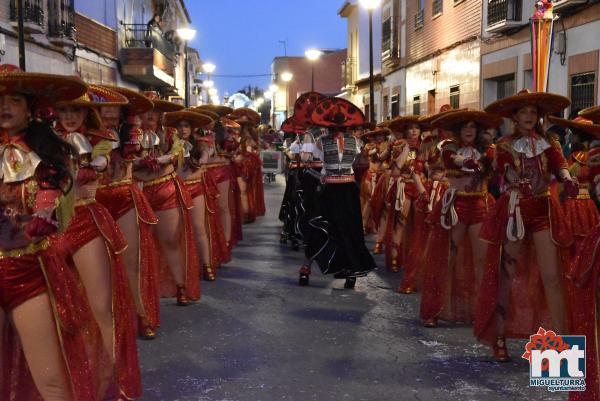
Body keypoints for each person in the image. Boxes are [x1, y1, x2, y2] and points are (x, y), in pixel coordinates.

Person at [0, 64, 103, 401]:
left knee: (52, 380)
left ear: (31, 108)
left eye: (14, 99)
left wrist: (45, 212)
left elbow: (50, 192)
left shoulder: (45, 155)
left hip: (26, 272)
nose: (4, 106)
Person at [53, 85, 141, 399]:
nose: (69, 117)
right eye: (63, 110)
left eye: (75, 110)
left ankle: (114, 378)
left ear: (86, 112)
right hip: (48, 231)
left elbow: (97, 166)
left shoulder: (101, 141)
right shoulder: (41, 142)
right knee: (59, 312)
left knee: (101, 305)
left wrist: (85, 163)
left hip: (85, 221)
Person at [476, 89, 577, 361]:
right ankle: (499, 338)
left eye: (533, 112)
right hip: (515, 212)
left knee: (552, 277)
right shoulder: (505, 145)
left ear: (539, 116)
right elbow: (499, 176)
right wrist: (509, 178)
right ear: (515, 117)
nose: (529, 116)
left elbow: (560, 166)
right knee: (507, 276)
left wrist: (567, 178)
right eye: (523, 112)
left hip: (543, 210)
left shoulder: (550, 142)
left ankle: (560, 354)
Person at [418, 110, 500, 328]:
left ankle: (485, 312)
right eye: (464, 127)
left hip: (480, 205)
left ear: (478, 130)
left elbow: (496, 166)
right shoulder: (447, 149)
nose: (468, 131)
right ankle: (437, 308)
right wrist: (469, 162)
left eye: (472, 127)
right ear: (458, 131)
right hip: (456, 206)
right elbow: (454, 160)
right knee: (447, 258)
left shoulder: (490, 150)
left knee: (483, 261)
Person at [95, 86, 162, 340]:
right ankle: (104, 324)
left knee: (130, 262)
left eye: (114, 107)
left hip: (123, 198)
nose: (108, 112)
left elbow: (144, 168)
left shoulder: (133, 136)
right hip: (91, 206)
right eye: (103, 107)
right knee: (98, 269)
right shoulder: (78, 137)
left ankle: (139, 313)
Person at [300, 97, 376, 289]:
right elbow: (308, 160)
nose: (338, 128)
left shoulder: (353, 142)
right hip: (331, 189)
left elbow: (360, 163)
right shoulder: (321, 141)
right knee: (323, 227)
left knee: (344, 230)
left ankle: (345, 268)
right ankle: (307, 267)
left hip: (345, 189)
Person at [568, 104, 600, 401]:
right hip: (550, 216)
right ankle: (560, 379)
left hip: (580, 221)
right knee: (558, 292)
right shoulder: (589, 157)